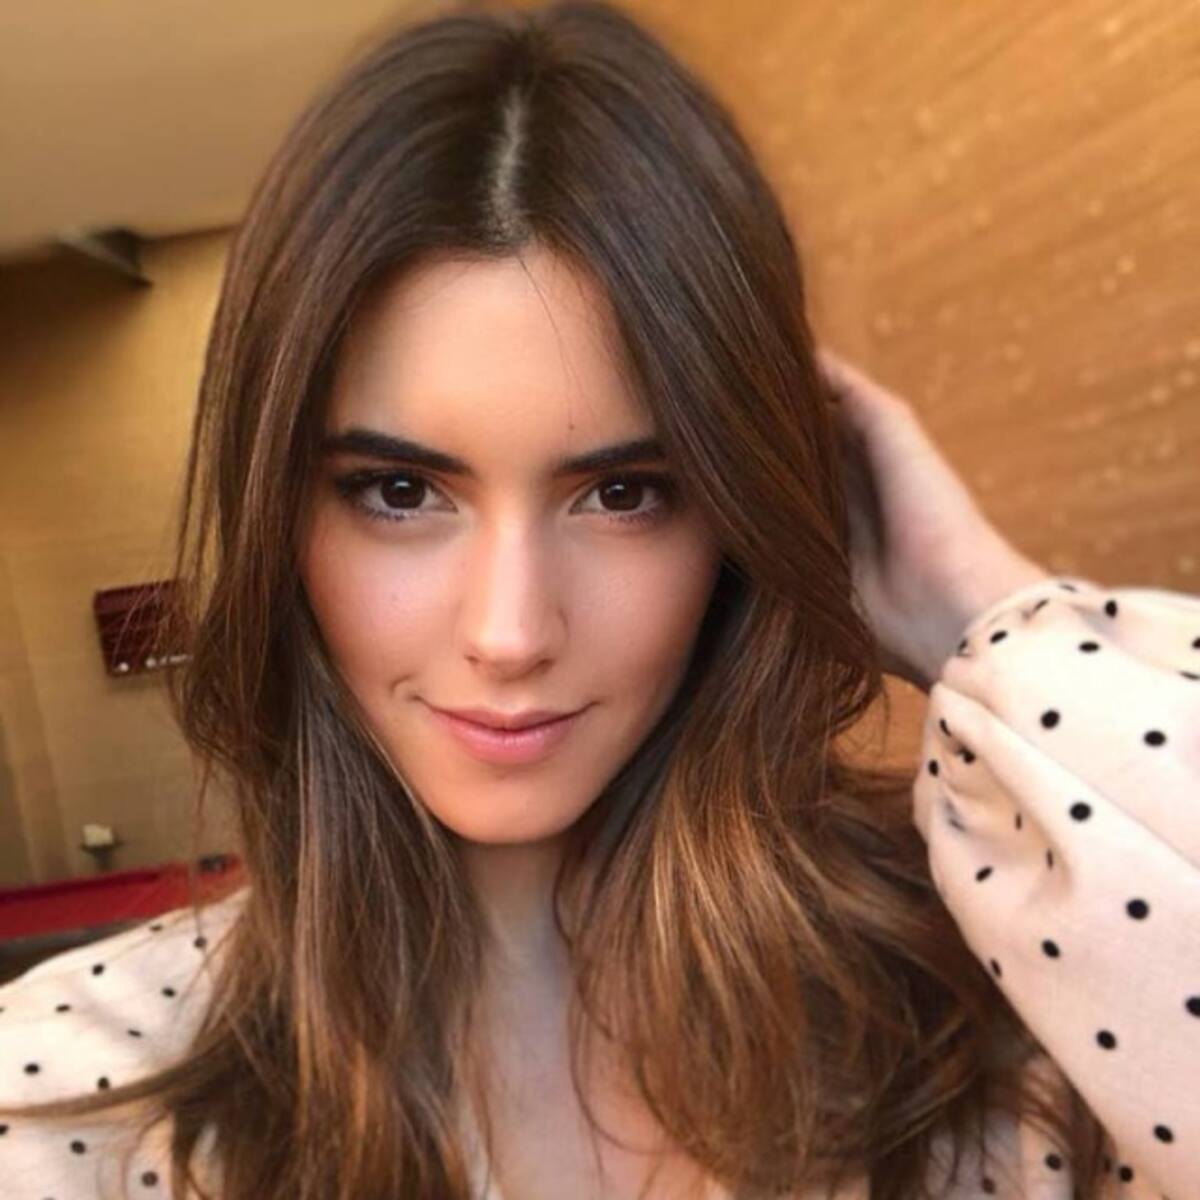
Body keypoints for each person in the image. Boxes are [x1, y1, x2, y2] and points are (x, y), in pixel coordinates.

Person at [1, 2, 1196, 1198]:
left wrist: (981, 612)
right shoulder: (84, 1096)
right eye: (400, 491)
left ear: (738, 509)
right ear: (280, 519)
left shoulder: (996, 1007)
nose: (511, 634)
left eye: (624, 493)